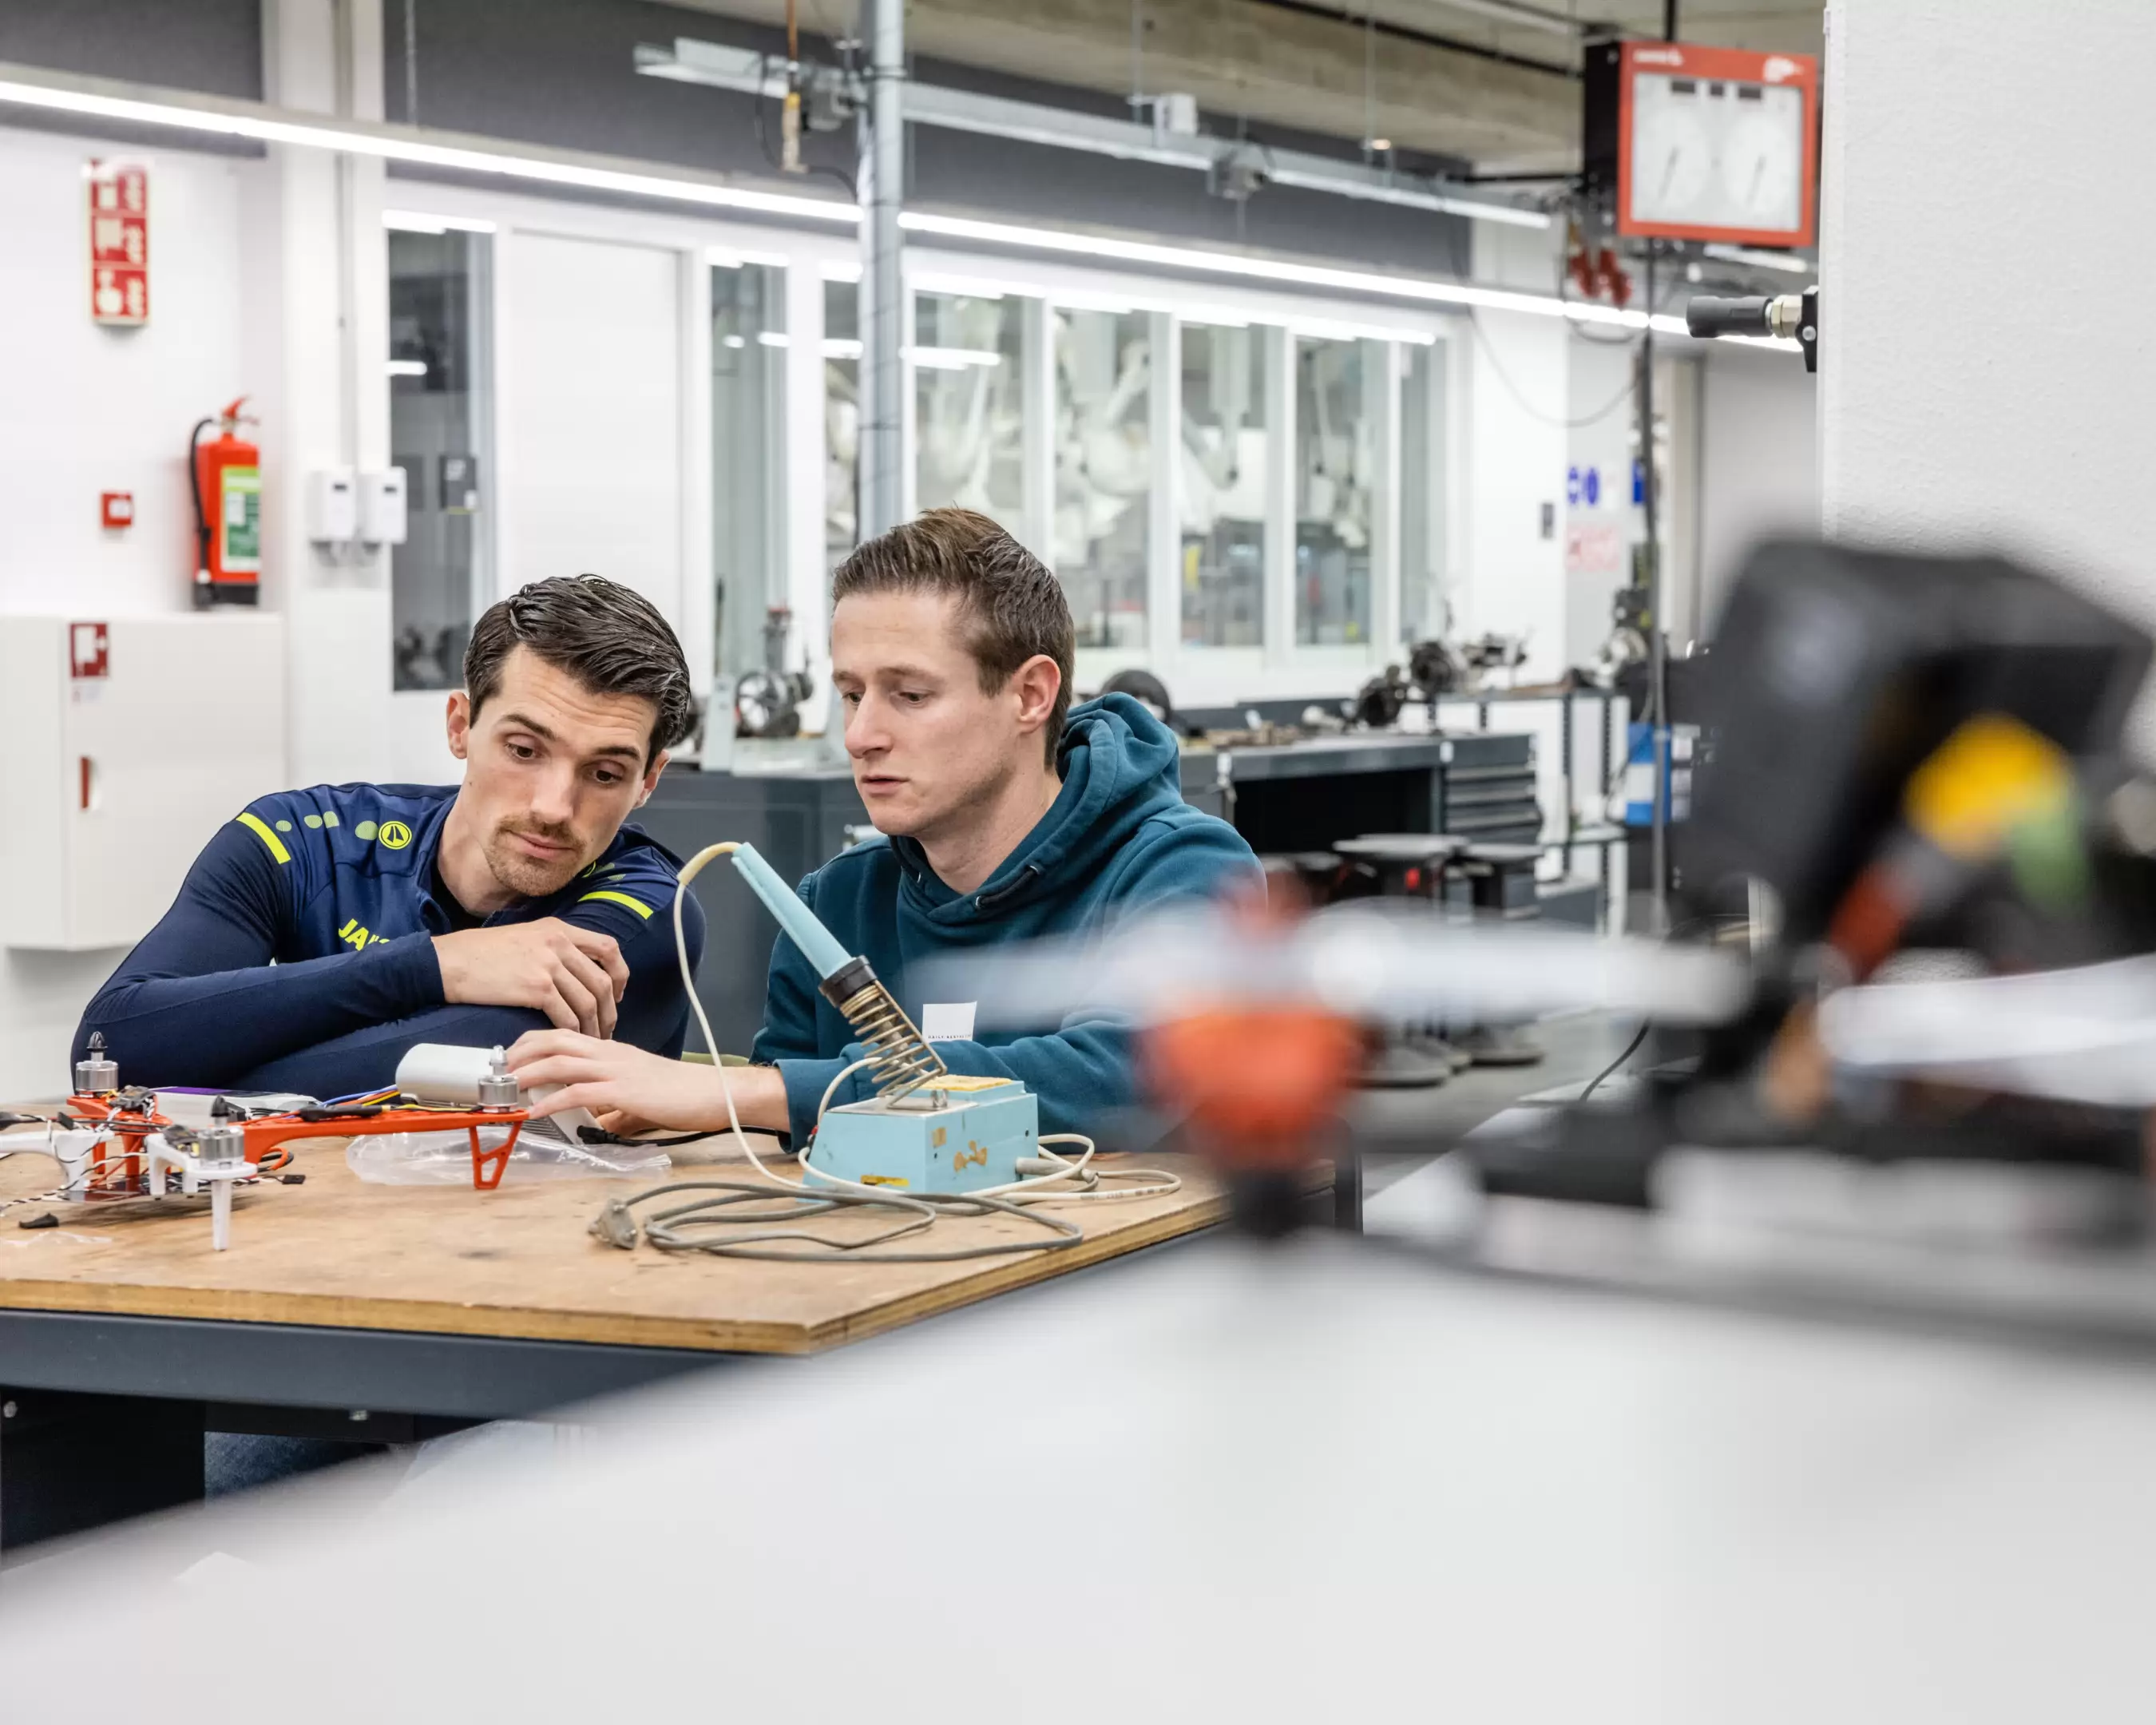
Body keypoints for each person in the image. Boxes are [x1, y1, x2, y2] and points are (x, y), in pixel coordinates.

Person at [507, 507, 1262, 1146]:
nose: (862, 733)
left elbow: (1121, 1077)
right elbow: (789, 1131)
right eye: (851, 693)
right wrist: (704, 1116)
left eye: (909, 694)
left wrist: (740, 1096)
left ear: (1030, 695)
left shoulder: (1182, 870)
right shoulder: (833, 906)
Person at [73, 576, 707, 1096]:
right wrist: (435, 967)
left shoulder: (651, 912)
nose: (553, 806)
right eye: (523, 749)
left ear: (649, 780)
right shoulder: (300, 840)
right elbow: (110, 1052)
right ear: (460, 726)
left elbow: (456, 1073)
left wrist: (208, 1069)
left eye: (604, 773)